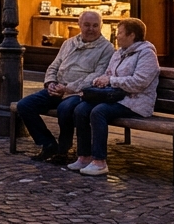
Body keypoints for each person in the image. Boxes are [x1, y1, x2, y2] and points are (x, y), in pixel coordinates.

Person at [15, 11, 114, 165]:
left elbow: (95, 76)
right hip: (57, 88)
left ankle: (63, 148)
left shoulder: (106, 48)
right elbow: (54, 65)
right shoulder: (69, 43)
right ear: (79, 25)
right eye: (87, 25)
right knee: (24, 105)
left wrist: (68, 88)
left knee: (65, 108)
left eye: (95, 25)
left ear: (101, 26)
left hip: (79, 92)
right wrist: (51, 83)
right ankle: (48, 143)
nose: (91, 29)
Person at [68, 18, 160, 177]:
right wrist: (101, 80)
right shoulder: (119, 53)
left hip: (136, 102)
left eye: (120, 33)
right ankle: (84, 156)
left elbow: (140, 82)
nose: (116, 36)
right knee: (81, 109)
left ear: (132, 35)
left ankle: (99, 161)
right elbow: (109, 73)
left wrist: (111, 81)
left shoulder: (147, 54)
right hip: (116, 98)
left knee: (99, 112)